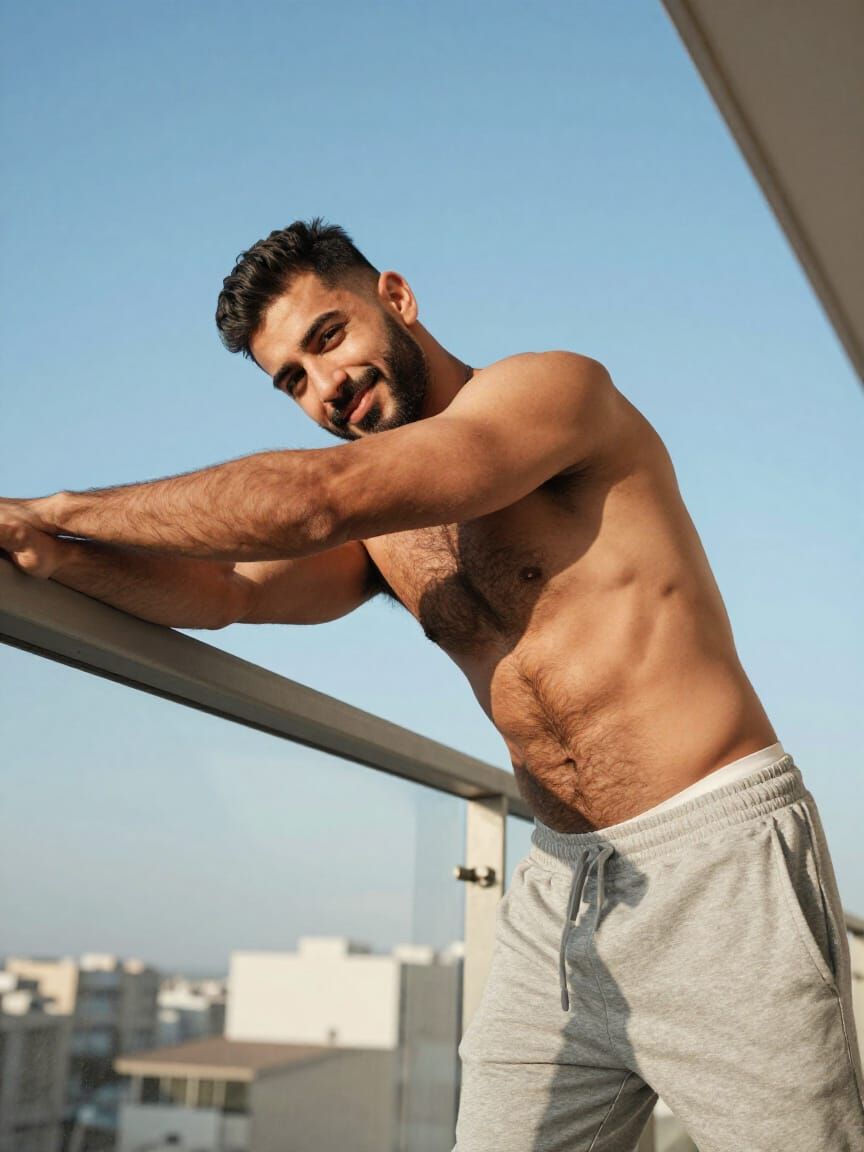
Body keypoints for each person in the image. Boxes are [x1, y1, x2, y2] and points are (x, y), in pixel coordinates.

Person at [1, 220, 861, 1149]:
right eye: (292, 379)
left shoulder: (551, 392)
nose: (326, 385)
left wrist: (56, 505)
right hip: (560, 888)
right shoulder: (388, 531)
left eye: (329, 337)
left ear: (398, 299)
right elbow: (226, 591)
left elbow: (314, 501)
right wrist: (49, 553)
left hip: (714, 864)